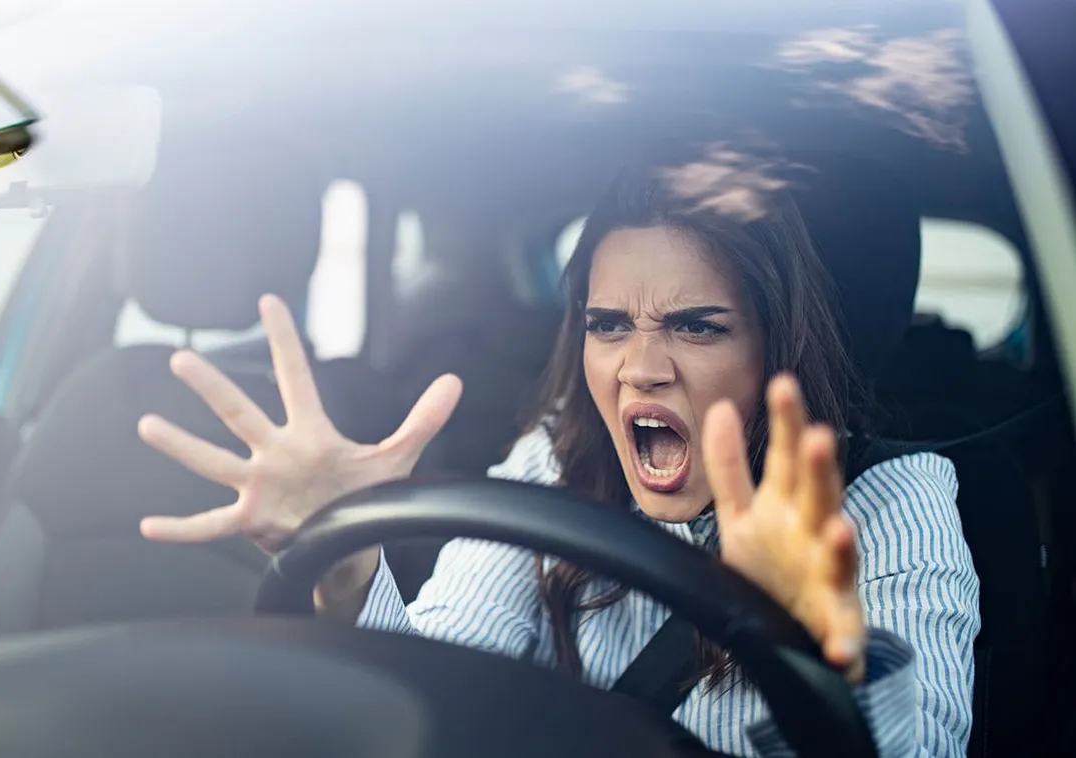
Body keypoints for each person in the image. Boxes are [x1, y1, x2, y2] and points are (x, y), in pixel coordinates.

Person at [135, 164, 981, 758]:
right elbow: (447, 685)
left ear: (776, 351)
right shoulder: (553, 461)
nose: (637, 368)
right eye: (607, 323)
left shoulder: (891, 501)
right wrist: (351, 567)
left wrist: (816, 662)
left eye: (695, 326)